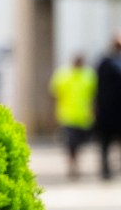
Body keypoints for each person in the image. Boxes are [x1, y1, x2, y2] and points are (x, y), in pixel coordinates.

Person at [49, 53, 96, 179]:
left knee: (80, 143)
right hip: (67, 115)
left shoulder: (89, 75)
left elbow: (94, 95)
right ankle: (73, 164)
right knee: (71, 143)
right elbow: (54, 92)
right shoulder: (63, 75)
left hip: (83, 117)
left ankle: (75, 162)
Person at [95, 32, 121, 180]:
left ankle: (107, 169)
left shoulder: (105, 62)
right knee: (105, 143)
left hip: (111, 111)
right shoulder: (106, 62)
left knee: (108, 143)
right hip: (107, 111)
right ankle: (105, 169)